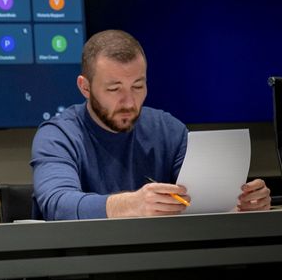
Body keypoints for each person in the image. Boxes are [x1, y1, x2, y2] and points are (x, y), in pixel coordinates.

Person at [31, 29, 271, 221]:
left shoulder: (168, 130)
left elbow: (202, 201)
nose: (129, 101)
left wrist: (240, 203)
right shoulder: (58, 136)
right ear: (85, 87)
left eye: (138, 86)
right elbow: (58, 205)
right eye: (114, 89)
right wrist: (131, 204)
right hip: (87, 268)